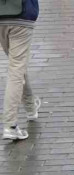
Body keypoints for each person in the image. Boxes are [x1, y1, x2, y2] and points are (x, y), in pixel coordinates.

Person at [0, 0, 40, 140]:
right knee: (16, 69)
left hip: (1, 17)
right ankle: (10, 125)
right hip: (21, 17)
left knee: (17, 66)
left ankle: (31, 107)